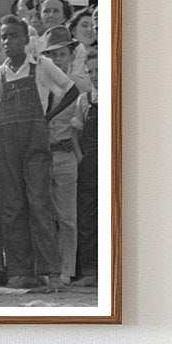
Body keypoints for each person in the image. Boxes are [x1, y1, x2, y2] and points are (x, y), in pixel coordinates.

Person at [0, 15, 78, 289]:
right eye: (4, 37)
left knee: (39, 204)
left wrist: (47, 117)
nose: (8, 41)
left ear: (26, 40)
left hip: (35, 143)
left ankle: (51, 272)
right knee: (12, 206)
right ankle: (20, 271)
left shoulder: (40, 66)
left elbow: (71, 90)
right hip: (8, 146)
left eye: (14, 35)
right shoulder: (0, 73)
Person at [42, 26, 82, 283]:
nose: (58, 60)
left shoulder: (80, 84)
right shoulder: (43, 81)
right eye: (53, 55)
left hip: (66, 153)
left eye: (62, 54)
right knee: (45, 214)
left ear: (71, 55)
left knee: (67, 216)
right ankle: (50, 267)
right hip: (44, 155)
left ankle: (67, 268)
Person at [72, 43, 99, 287]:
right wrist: (81, 158)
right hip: (89, 165)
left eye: (99, 70)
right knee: (88, 217)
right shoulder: (84, 99)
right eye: (90, 71)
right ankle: (90, 271)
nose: (95, 76)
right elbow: (75, 134)